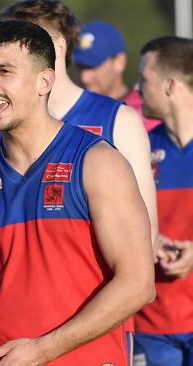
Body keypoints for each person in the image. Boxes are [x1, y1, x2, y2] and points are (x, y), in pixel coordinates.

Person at [0, 20, 155, 366]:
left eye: (4, 71)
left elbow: (138, 283)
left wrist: (42, 350)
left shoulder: (98, 163)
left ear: (45, 81)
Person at [0, 1, 158, 254]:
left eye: (22, 43)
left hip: (95, 290)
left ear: (58, 46)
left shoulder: (119, 119)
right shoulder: (7, 127)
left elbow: (145, 240)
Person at [133, 36, 193, 366]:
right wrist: (149, 241)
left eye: (144, 79)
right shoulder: (137, 148)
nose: (137, 87)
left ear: (170, 85)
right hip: (151, 324)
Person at [73, 20, 161, 131]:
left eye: (93, 67)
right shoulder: (69, 112)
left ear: (119, 62)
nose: (84, 77)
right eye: (80, 66)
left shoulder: (150, 112)